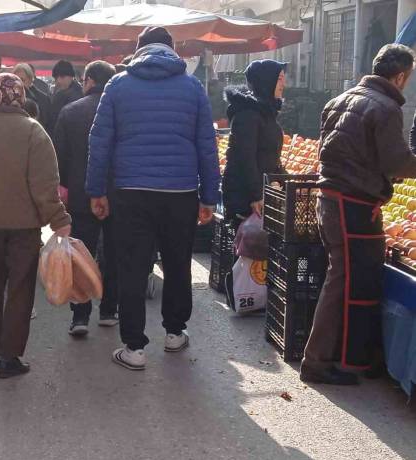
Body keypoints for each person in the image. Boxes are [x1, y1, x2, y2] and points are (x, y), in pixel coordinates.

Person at [86, 26, 220, 371]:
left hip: (130, 192)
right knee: (177, 263)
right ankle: (175, 333)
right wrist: (209, 196)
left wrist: (96, 191)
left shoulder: (117, 85)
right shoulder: (192, 87)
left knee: (132, 265)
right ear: (172, 50)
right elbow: (207, 145)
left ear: (138, 49)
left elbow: (99, 142)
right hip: (181, 193)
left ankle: (134, 348)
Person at [301, 44, 416, 385]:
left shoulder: (341, 99)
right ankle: (319, 362)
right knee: (345, 282)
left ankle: (354, 357)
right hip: (354, 205)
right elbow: (395, 161)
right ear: (399, 76)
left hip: (332, 199)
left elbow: (327, 149)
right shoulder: (385, 107)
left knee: (351, 280)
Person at [0, 73, 71, 378]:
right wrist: (59, 219)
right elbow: (44, 184)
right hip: (23, 225)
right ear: (20, 96)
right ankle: (9, 357)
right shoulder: (33, 131)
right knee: (20, 287)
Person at [53, 60, 118, 337]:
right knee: (114, 255)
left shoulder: (70, 112)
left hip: (80, 196)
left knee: (80, 255)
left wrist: (64, 188)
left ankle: (80, 316)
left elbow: (60, 159)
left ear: (88, 80)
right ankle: (108, 310)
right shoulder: (121, 112)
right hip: (117, 195)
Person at [223, 60, 286, 229]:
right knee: (249, 249)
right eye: (279, 79)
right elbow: (246, 158)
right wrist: (256, 196)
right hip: (246, 198)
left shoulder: (266, 112)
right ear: (267, 81)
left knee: (256, 251)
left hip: (262, 194)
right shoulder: (248, 115)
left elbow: (269, 156)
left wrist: (286, 180)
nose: (283, 84)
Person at [48, 60, 83, 133]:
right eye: (56, 78)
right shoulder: (58, 93)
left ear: (71, 76)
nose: (58, 81)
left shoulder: (76, 95)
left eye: (62, 77)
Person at [13, 63, 51, 129]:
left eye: (22, 80)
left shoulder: (43, 99)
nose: (19, 84)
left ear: (30, 80)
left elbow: (47, 125)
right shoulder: (8, 98)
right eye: (16, 80)